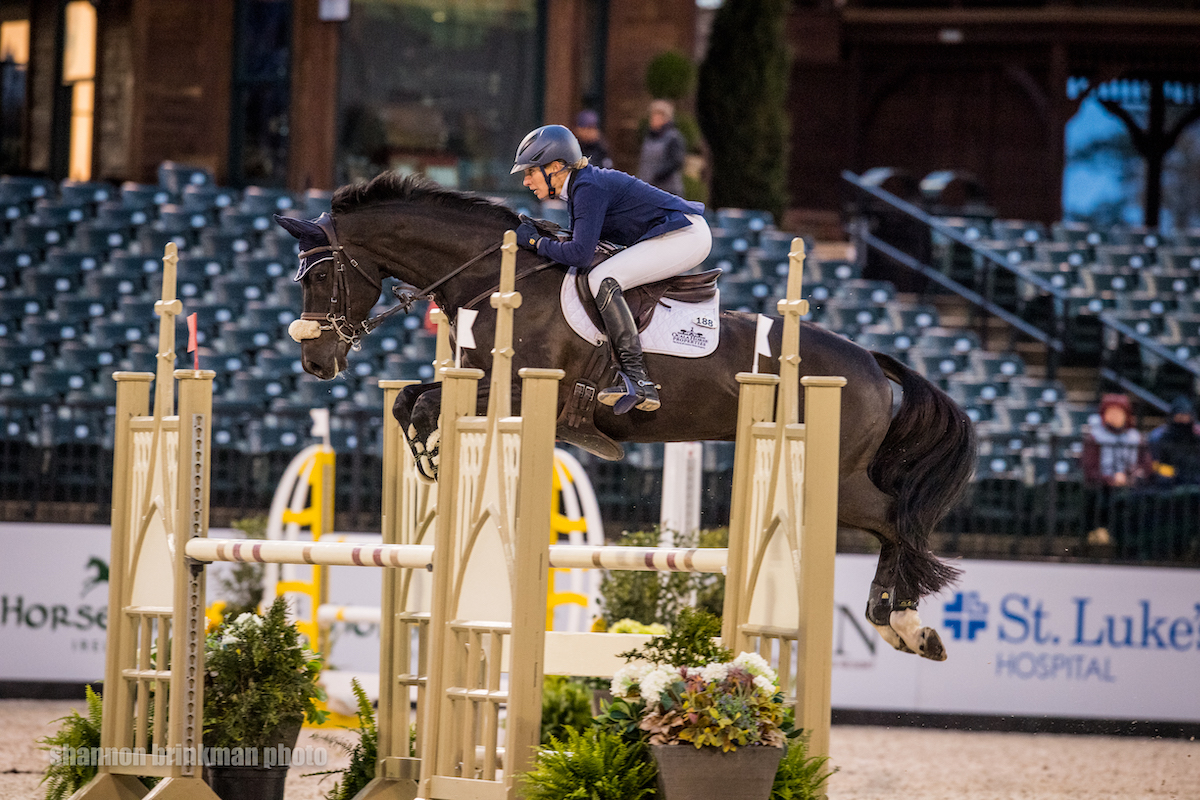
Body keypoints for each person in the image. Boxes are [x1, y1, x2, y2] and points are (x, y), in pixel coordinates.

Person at [510, 124, 712, 413]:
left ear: (556, 166)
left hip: (685, 235)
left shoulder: (588, 187)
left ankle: (637, 379)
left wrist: (534, 241)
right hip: (675, 234)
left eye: (530, 171)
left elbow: (580, 254)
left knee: (602, 278)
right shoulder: (580, 186)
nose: (527, 181)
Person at [1082, 393, 1153, 488]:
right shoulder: (1094, 437)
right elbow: (1089, 470)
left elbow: (1146, 466)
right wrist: (1109, 479)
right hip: (1101, 489)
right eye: (1111, 412)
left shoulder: (1136, 437)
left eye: (1119, 413)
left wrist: (1132, 477)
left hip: (1132, 488)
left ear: (1126, 415)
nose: (1114, 416)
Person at [637, 99, 687, 197]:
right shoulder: (649, 137)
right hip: (649, 188)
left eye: (657, 116)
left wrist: (658, 175)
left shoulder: (673, 137)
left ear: (666, 118)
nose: (653, 119)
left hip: (668, 190)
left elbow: (676, 161)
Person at [1147, 396, 1200, 485]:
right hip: (1171, 487)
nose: (1183, 420)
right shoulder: (1163, 439)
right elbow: (1161, 466)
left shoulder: (1196, 440)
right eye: (1179, 416)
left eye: (1185, 416)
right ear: (1173, 416)